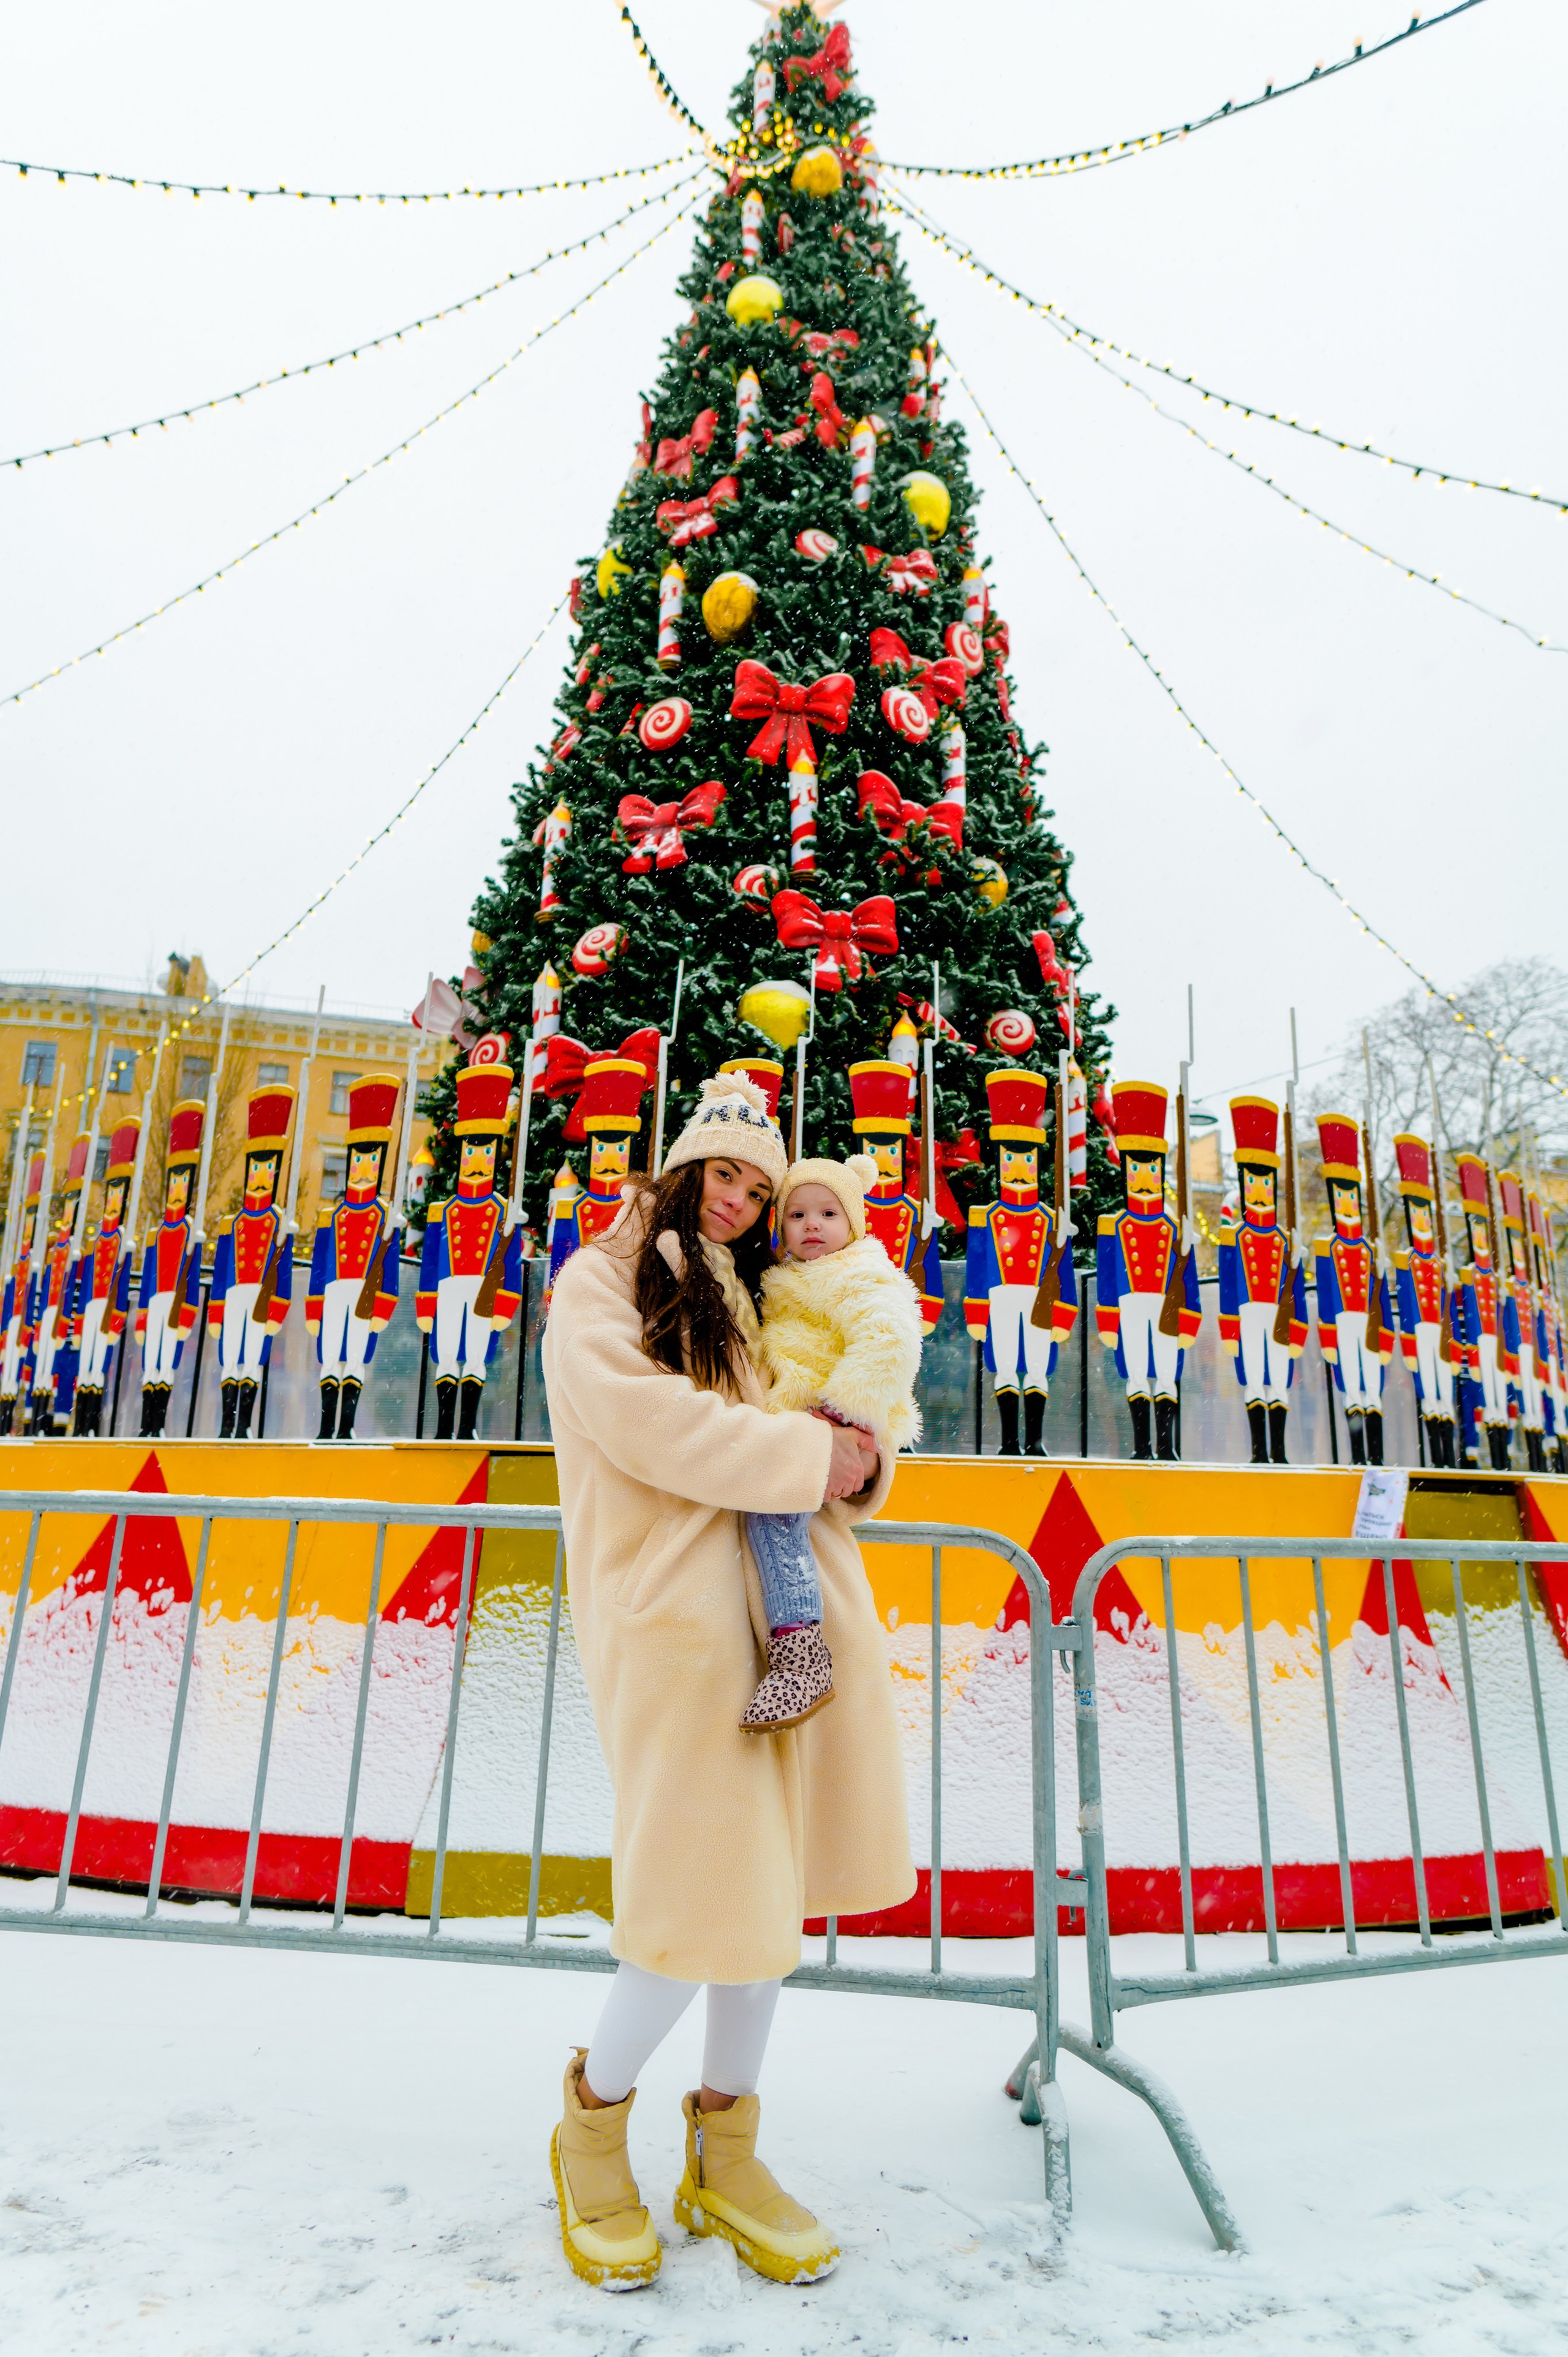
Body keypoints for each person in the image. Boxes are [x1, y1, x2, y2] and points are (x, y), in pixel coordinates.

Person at [541, 1071, 914, 2293]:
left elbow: (814, 1421)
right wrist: (814, 1456)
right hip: (677, 1630)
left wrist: (856, 1460)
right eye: (726, 1174)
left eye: (760, 1186)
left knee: (765, 1904)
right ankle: (590, 2126)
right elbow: (655, 1425)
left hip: (780, 1628)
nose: (743, 1199)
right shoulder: (602, 1279)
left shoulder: (743, 1295)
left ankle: (725, 2143)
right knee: (686, 1903)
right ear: (683, 1165)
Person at [742, 1152, 924, 1733]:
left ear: (855, 1225)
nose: (812, 1225)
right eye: (797, 1214)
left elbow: (891, 1340)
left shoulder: (859, 1274)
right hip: (804, 1424)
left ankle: (801, 1654)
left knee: (774, 1520)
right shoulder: (787, 1278)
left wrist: (837, 1416)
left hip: (838, 1419)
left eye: (828, 1212)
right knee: (773, 1519)